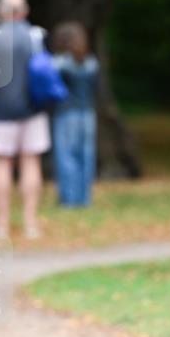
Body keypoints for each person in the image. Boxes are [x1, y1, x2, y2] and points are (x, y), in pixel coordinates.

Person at [0, 0, 50, 239]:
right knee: (31, 163)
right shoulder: (37, 36)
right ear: (25, 11)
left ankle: (2, 225)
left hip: (0, 112)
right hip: (33, 111)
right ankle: (30, 224)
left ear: (1, 12)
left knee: (2, 164)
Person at [50, 22, 100, 206]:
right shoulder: (92, 62)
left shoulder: (58, 63)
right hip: (88, 113)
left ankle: (69, 199)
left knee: (66, 156)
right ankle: (84, 198)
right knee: (86, 156)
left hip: (66, 113)